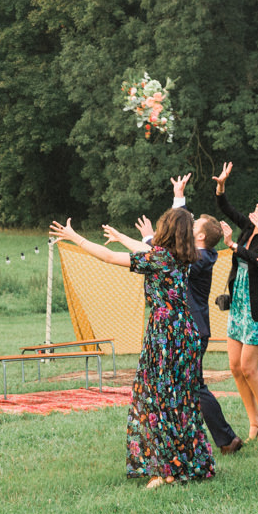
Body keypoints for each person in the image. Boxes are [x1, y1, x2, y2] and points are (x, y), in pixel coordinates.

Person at [50, 208, 215, 489]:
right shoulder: (186, 256)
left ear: (167, 230)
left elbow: (110, 257)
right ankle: (189, 463)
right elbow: (145, 248)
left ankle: (166, 471)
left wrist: (74, 237)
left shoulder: (160, 257)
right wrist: (122, 236)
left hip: (165, 335)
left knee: (157, 399)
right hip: (185, 332)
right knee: (180, 399)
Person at [111, 174, 243, 455]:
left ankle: (220, 439)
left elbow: (164, 252)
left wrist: (147, 237)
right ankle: (221, 440)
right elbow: (174, 241)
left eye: (194, 225)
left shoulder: (203, 257)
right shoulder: (194, 252)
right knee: (191, 386)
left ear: (201, 236)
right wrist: (178, 197)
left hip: (189, 329)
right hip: (183, 329)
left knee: (193, 386)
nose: (189, 226)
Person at [213, 161, 258, 440]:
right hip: (239, 303)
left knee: (249, 368)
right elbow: (226, 208)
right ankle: (253, 424)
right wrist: (221, 185)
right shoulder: (247, 228)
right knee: (234, 366)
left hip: (257, 307)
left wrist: (233, 245)